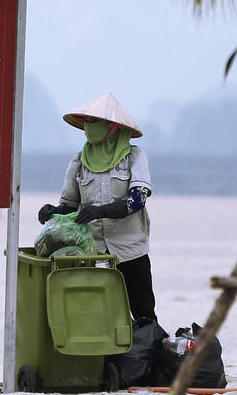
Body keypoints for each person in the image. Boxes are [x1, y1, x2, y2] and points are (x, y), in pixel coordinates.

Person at [37, 92, 156, 324]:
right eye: (87, 121)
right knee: (98, 316)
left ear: (113, 126)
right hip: (93, 253)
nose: (89, 126)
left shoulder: (135, 157)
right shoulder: (79, 161)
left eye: (95, 121)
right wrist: (53, 212)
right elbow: (70, 206)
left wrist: (100, 211)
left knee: (144, 315)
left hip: (131, 251)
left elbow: (137, 200)